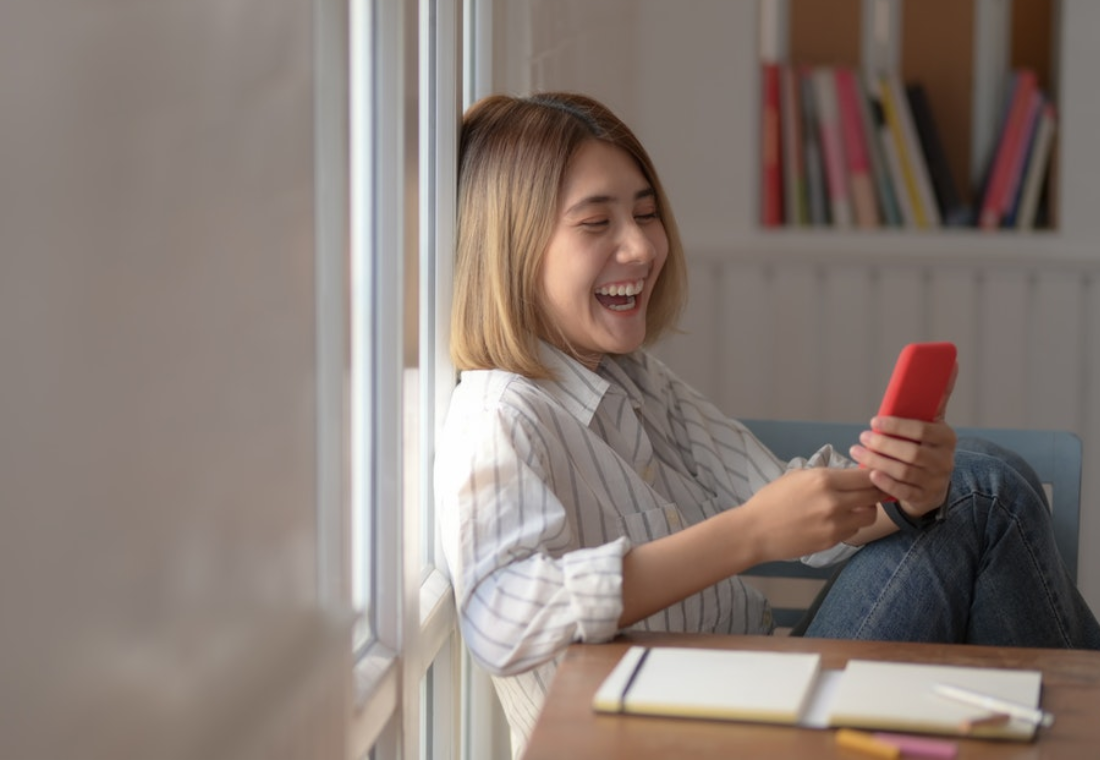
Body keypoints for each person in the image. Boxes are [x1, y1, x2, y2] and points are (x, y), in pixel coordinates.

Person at [434, 92, 1100, 753]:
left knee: (976, 480)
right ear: (513, 250)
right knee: (988, 493)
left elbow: (795, 511)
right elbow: (501, 618)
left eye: (645, 213)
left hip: (752, 692)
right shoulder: (499, 414)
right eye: (595, 223)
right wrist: (748, 536)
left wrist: (904, 496)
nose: (640, 246)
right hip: (678, 741)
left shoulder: (635, 379)